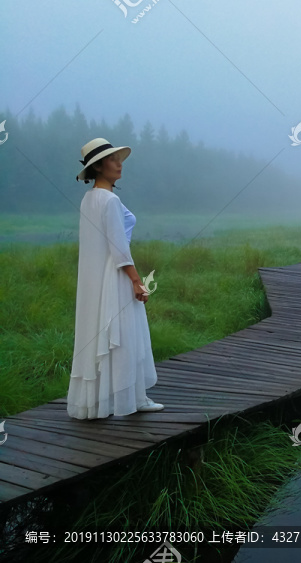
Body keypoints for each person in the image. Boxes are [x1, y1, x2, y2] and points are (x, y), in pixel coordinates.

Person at [67, 138, 164, 419]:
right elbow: (118, 247)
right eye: (113, 160)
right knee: (124, 334)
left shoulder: (89, 199)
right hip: (114, 275)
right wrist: (136, 280)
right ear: (98, 166)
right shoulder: (109, 200)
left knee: (101, 331)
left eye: (119, 159)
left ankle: (98, 402)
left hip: (96, 279)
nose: (119, 164)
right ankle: (132, 399)